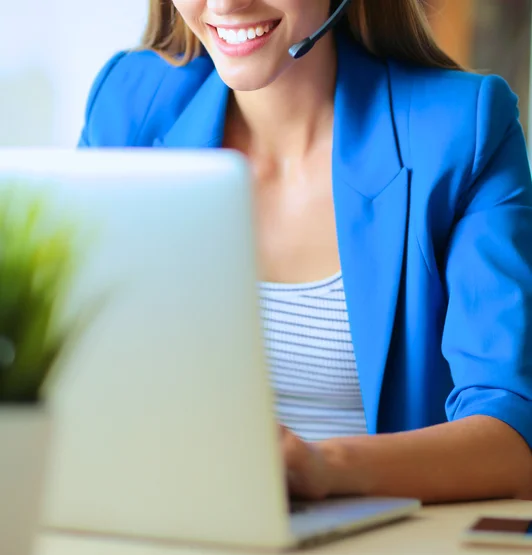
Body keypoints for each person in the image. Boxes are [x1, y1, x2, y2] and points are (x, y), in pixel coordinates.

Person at [79, 0, 532, 504]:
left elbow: (512, 440)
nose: (227, 4)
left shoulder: (462, 128)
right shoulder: (127, 102)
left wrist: (325, 468)